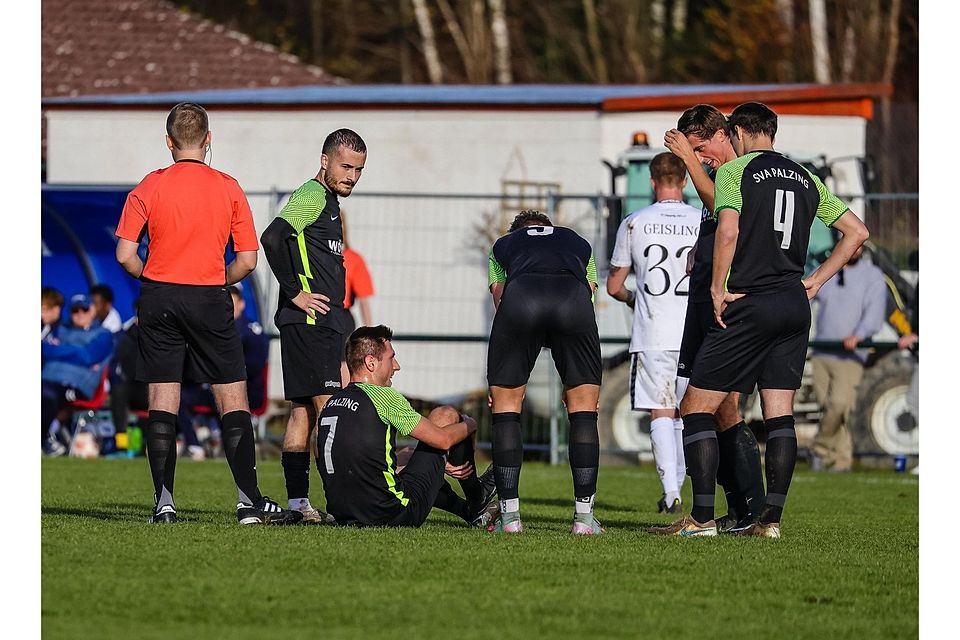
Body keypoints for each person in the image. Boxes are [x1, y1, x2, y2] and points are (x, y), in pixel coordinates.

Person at [652, 102, 869, 539]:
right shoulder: (804, 174)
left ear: (735, 131)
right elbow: (858, 233)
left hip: (750, 301)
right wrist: (816, 281)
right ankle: (769, 521)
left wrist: (716, 288)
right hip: (794, 301)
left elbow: (728, 230)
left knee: (696, 407)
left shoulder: (737, 172)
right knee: (779, 415)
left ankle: (701, 519)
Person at [114, 101, 301, 525]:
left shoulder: (149, 186)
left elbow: (125, 255)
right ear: (208, 139)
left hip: (158, 296)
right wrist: (220, 279)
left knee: (163, 399)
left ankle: (164, 504)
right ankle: (248, 502)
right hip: (208, 295)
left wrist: (155, 275)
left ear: (169, 142)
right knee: (230, 395)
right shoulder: (228, 186)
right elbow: (249, 260)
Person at [662, 104, 767, 532]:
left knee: (705, 407)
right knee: (722, 410)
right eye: (695, 151)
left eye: (702, 146)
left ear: (724, 134)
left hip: (727, 303)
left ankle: (709, 515)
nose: (699, 156)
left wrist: (688, 159)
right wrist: (701, 252)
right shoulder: (723, 171)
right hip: (705, 298)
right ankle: (746, 512)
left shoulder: (738, 169)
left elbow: (721, 208)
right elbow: (716, 220)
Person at [260, 128, 367, 524]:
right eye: (345, 166)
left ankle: (298, 505)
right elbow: (273, 237)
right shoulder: (312, 195)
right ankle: (344, 505)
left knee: (303, 411)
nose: (352, 176)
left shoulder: (331, 203)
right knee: (328, 411)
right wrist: (295, 293)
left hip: (314, 322)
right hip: (310, 320)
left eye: (358, 169)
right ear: (324, 161)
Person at [486, 210, 603, 534]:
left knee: (506, 406)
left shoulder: (503, 246)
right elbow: (590, 292)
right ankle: (583, 519)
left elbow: (500, 298)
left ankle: (510, 519)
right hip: (573, 303)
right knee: (583, 408)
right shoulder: (577, 243)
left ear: (516, 233)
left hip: (522, 301)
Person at [317, 325, 498, 528]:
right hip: (392, 514)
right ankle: (477, 497)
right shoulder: (383, 396)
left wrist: (436, 463)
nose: (397, 366)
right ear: (370, 363)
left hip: (344, 515)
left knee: (408, 454)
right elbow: (443, 439)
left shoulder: (331, 404)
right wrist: (470, 424)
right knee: (444, 414)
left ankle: (468, 511)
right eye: (391, 358)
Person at [606, 152, 701, 514]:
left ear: (651, 182)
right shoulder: (700, 220)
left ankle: (671, 490)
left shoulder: (635, 222)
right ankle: (688, 487)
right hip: (693, 332)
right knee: (688, 414)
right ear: (686, 180)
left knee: (660, 412)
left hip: (653, 330)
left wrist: (634, 298)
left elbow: (614, 285)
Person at [810, 245, 886, 472]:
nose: (855, 248)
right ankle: (841, 461)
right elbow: (806, 293)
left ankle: (819, 449)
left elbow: (875, 312)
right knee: (828, 408)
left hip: (851, 354)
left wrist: (859, 335)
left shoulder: (872, 275)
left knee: (840, 405)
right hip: (822, 350)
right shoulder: (827, 269)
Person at [177, 283, 271, 462]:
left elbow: (254, 366)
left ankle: (221, 440)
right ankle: (195, 443)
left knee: (221, 397)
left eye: (232, 302)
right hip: (213, 387)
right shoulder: (214, 330)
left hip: (246, 391)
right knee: (177, 396)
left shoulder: (252, 332)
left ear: (242, 304)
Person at [41, 293, 114, 455]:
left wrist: (57, 350)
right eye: (75, 310)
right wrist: (76, 351)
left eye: (84, 309)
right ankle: (47, 438)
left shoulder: (103, 335)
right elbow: (43, 349)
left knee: (47, 396)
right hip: (48, 380)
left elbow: (88, 356)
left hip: (76, 385)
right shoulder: (60, 329)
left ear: (93, 310)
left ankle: (44, 439)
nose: (80, 313)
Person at [340, 214, 376, 385]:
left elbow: (364, 300)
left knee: (342, 363)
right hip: (317, 315)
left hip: (341, 317)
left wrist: (369, 333)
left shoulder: (353, 259)